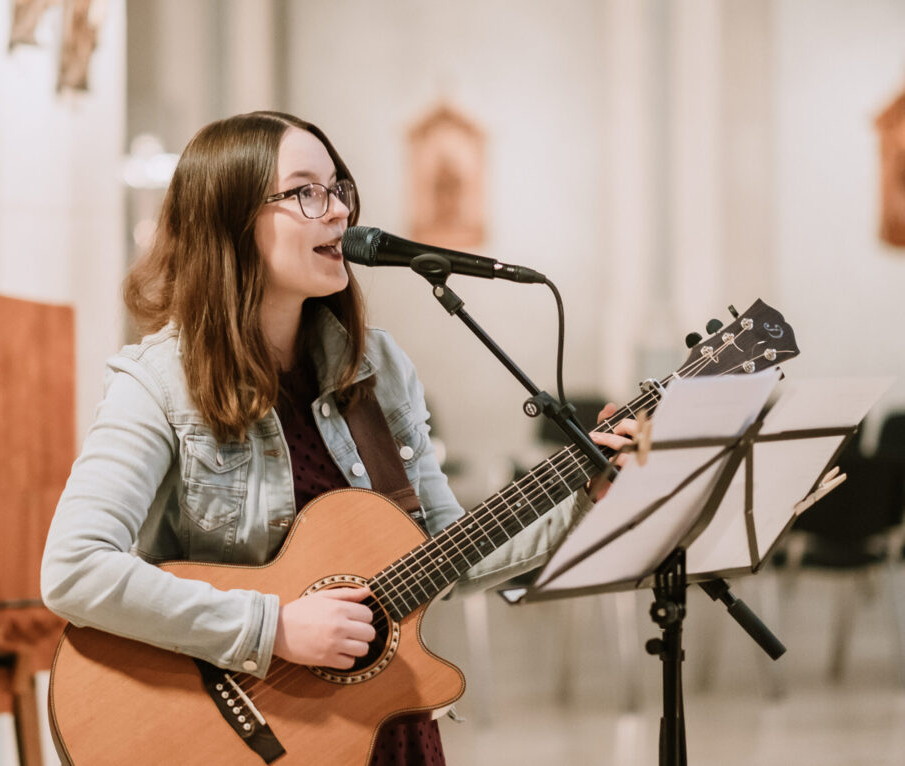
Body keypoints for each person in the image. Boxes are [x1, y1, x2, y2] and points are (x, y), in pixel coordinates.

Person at [40, 110, 635, 765]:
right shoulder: (156, 383)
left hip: (379, 728)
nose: (338, 213)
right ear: (231, 219)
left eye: (339, 188)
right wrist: (274, 629)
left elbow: (442, 555)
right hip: (239, 735)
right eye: (305, 192)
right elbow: (75, 569)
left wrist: (586, 487)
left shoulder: (377, 371)